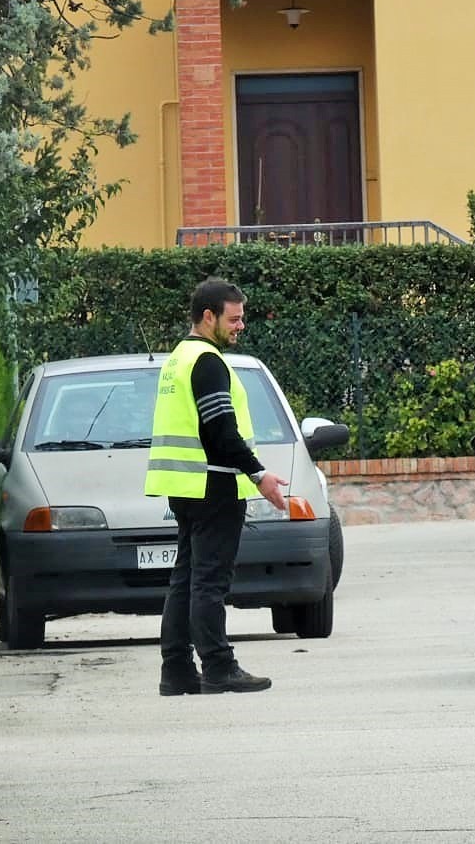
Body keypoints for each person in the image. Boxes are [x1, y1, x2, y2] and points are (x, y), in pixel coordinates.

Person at [145, 277, 288, 696]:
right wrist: (258, 474)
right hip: (215, 483)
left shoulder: (177, 359)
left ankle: (176, 671)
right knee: (209, 581)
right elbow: (221, 429)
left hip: (186, 484)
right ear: (208, 317)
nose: (240, 326)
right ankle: (218, 666)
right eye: (234, 318)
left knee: (185, 578)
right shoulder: (208, 362)